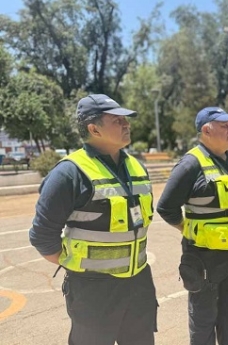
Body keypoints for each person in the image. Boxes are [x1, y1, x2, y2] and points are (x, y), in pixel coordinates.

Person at [29, 94, 158, 345]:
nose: (126, 124)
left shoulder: (137, 167)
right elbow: (42, 236)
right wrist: (79, 266)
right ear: (93, 128)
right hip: (93, 290)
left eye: (125, 120)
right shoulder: (69, 173)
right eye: (117, 120)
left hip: (139, 284)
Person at [156, 107, 228, 345]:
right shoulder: (190, 164)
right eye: (224, 125)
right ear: (206, 130)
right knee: (203, 321)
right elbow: (166, 207)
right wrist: (188, 229)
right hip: (203, 257)